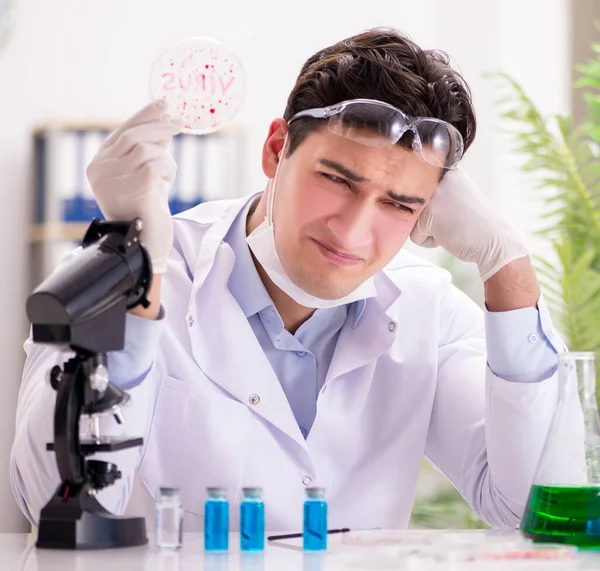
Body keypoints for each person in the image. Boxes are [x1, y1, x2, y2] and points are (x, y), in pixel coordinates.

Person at [11, 27, 569, 533]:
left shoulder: (427, 310)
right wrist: (139, 279)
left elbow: (528, 507)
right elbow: (47, 501)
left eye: (398, 204)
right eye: (337, 180)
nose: (352, 233)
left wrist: (509, 265)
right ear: (278, 150)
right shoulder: (140, 274)